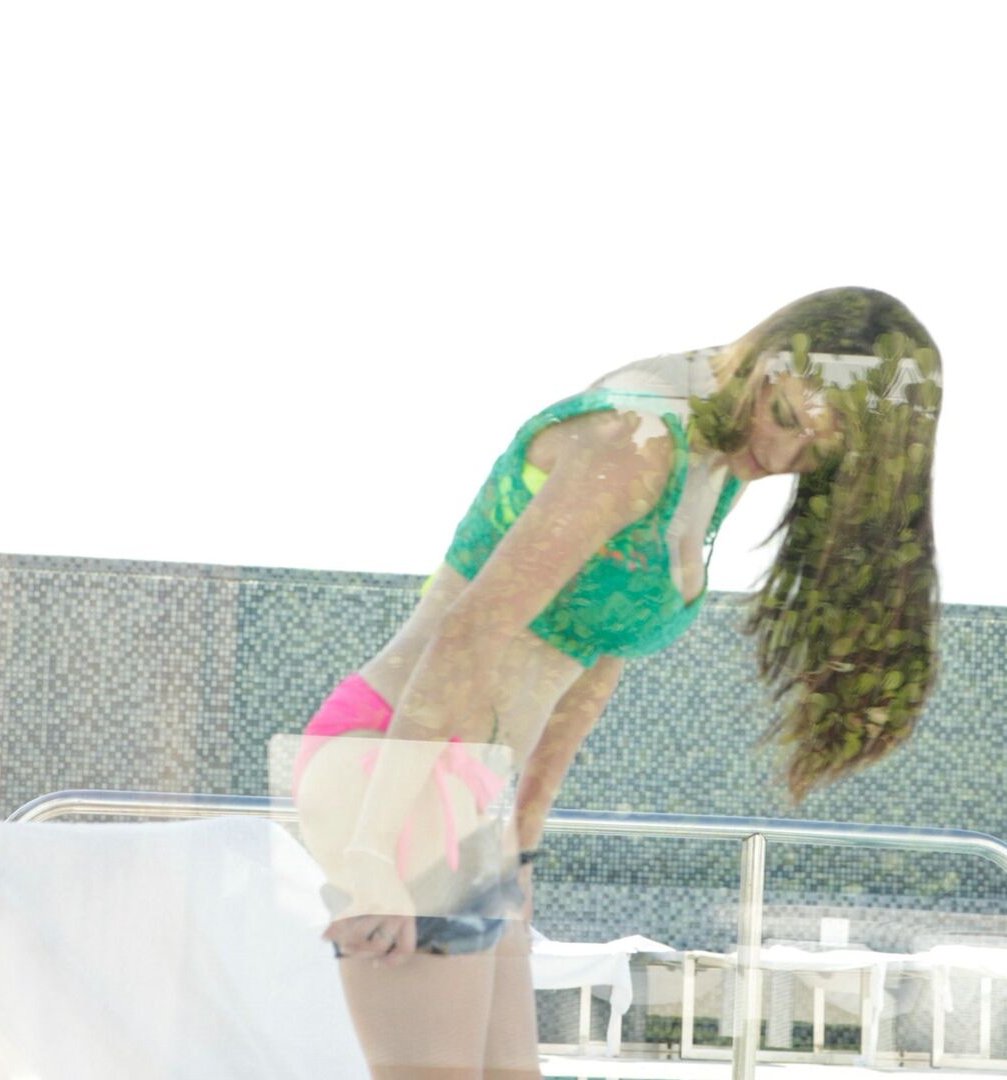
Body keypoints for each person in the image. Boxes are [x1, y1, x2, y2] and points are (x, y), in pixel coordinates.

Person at [291, 285, 944, 1078]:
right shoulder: (637, 438)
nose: (783, 456)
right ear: (771, 361)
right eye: (787, 420)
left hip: (463, 792)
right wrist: (371, 858)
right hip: (393, 764)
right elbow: (472, 629)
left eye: (817, 453)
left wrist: (522, 840)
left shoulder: (718, 457)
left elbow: (598, 654)